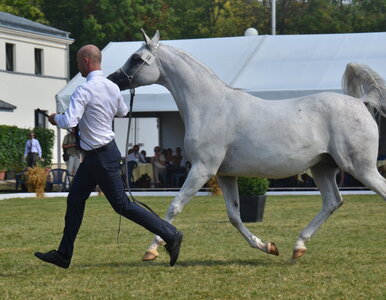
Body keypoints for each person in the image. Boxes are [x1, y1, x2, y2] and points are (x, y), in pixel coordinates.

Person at [34, 44, 182, 269]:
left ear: (85, 61)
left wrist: (56, 118)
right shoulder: (111, 87)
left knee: (122, 205)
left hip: (99, 156)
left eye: (77, 61)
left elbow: (70, 121)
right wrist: (95, 116)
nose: (77, 65)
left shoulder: (84, 90)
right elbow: (122, 111)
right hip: (98, 155)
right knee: (75, 199)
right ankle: (63, 255)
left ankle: (170, 235)